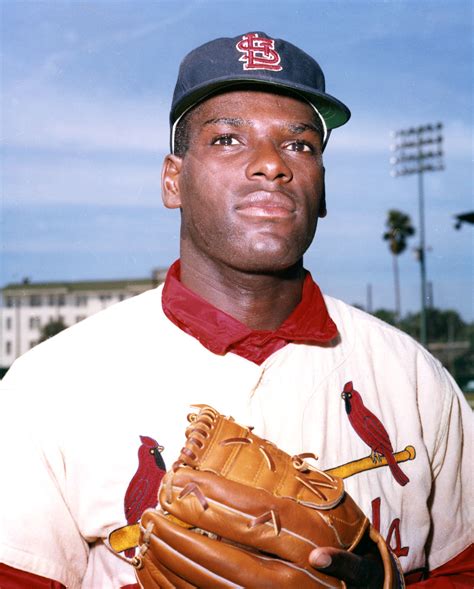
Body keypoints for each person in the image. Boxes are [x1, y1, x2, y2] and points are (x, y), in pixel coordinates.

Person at [0, 32, 472, 589]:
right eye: (227, 139)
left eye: (300, 145)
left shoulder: (414, 377)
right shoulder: (50, 384)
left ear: (321, 189)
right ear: (173, 179)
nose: (271, 164)